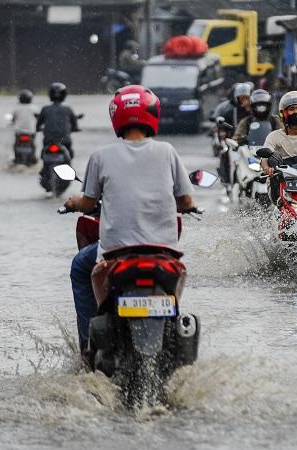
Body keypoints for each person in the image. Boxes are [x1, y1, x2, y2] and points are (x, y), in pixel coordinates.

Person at [63, 85, 197, 361]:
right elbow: (185, 200)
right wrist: (191, 207)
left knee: (79, 267)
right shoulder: (168, 151)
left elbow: (88, 203)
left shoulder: (101, 156)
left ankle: (88, 347)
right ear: (153, 115)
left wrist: (73, 203)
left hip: (116, 252)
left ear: (116, 117)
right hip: (163, 253)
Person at [36, 82, 79, 157]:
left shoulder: (45, 109)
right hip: (65, 141)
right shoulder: (68, 109)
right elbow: (75, 125)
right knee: (70, 154)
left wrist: (39, 129)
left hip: (48, 141)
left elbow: (38, 124)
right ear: (64, 95)